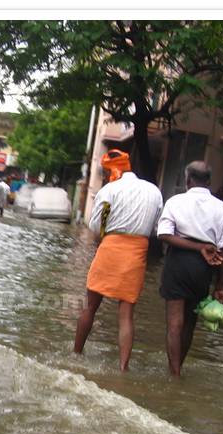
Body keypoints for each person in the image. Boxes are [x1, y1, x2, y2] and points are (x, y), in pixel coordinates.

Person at [73, 152, 163, 371]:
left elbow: (96, 226)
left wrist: (111, 228)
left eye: (105, 172)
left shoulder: (109, 190)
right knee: (126, 316)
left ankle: (76, 354)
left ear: (113, 170)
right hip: (137, 253)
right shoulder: (154, 192)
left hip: (110, 249)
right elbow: (156, 228)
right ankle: (123, 367)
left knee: (90, 307)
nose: (105, 177)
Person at [157, 161, 223, 377]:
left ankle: (174, 373)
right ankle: (178, 367)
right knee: (189, 323)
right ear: (209, 181)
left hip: (178, 262)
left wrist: (197, 247)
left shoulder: (175, 201)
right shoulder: (222, 208)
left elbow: (164, 235)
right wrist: (219, 286)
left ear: (188, 180)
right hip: (204, 268)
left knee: (174, 322)